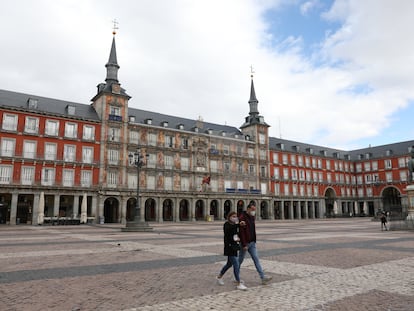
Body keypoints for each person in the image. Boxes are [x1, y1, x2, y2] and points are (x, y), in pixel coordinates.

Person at [239, 202, 272, 285]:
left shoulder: (252, 217)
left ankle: (263, 277)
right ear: (248, 209)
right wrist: (243, 244)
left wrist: (254, 240)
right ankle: (236, 275)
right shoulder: (242, 218)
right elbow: (241, 233)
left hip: (252, 243)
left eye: (255, 209)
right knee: (239, 261)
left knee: (256, 259)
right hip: (245, 243)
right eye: (253, 209)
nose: (254, 211)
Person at [216, 211, 247, 290]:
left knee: (229, 264)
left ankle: (219, 277)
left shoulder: (234, 225)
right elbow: (228, 231)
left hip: (234, 247)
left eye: (235, 216)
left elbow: (236, 234)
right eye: (233, 216)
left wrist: (239, 237)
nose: (235, 218)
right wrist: (238, 224)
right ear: (229, 217)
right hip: (229, 247)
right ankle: (238, 283)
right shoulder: (226, 224)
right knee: (236, 264)